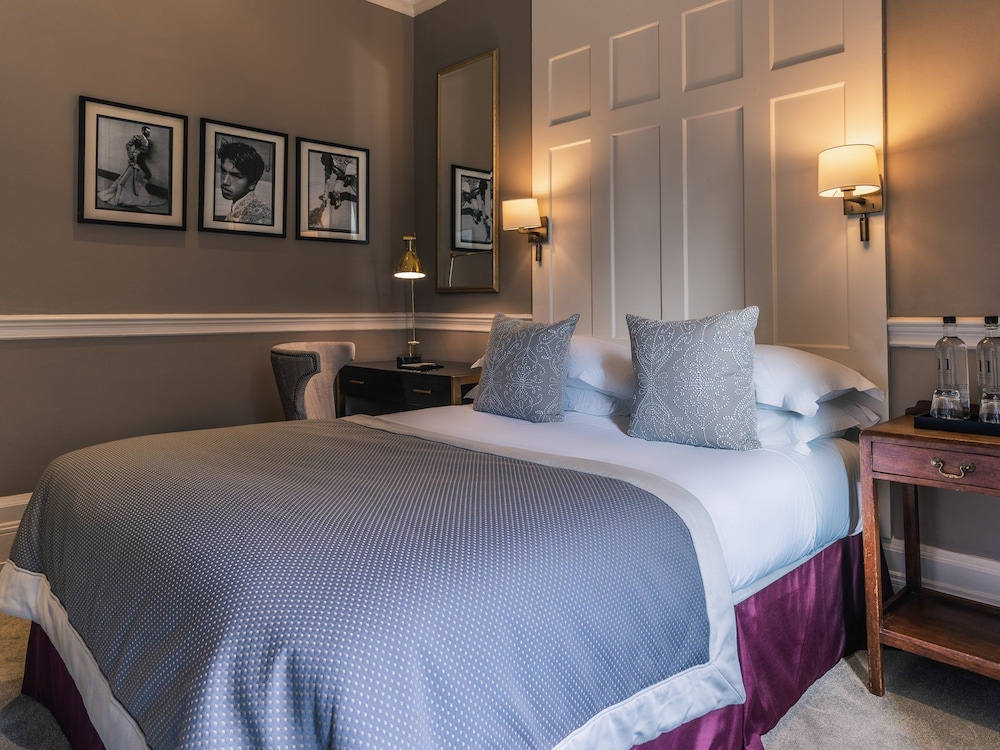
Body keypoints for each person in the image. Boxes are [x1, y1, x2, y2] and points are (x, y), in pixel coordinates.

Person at [98, 125, 166, 209]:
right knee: (126, 179)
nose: (148, 133)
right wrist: (131, 156)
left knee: (148, 174)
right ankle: (122, 196)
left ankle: (139, 192)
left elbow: (147, 153)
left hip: (141, 161)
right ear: (142, 131)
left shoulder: (149, 142)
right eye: (146, 131)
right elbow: (128, 145)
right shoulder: (137, 138)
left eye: (149, 132)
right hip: (135, 160)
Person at [216, 140, 272, 225]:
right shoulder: (239, 209)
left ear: (252, 184)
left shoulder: (260, 217)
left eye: (236, 176)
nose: (225, 181)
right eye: (223, 172)